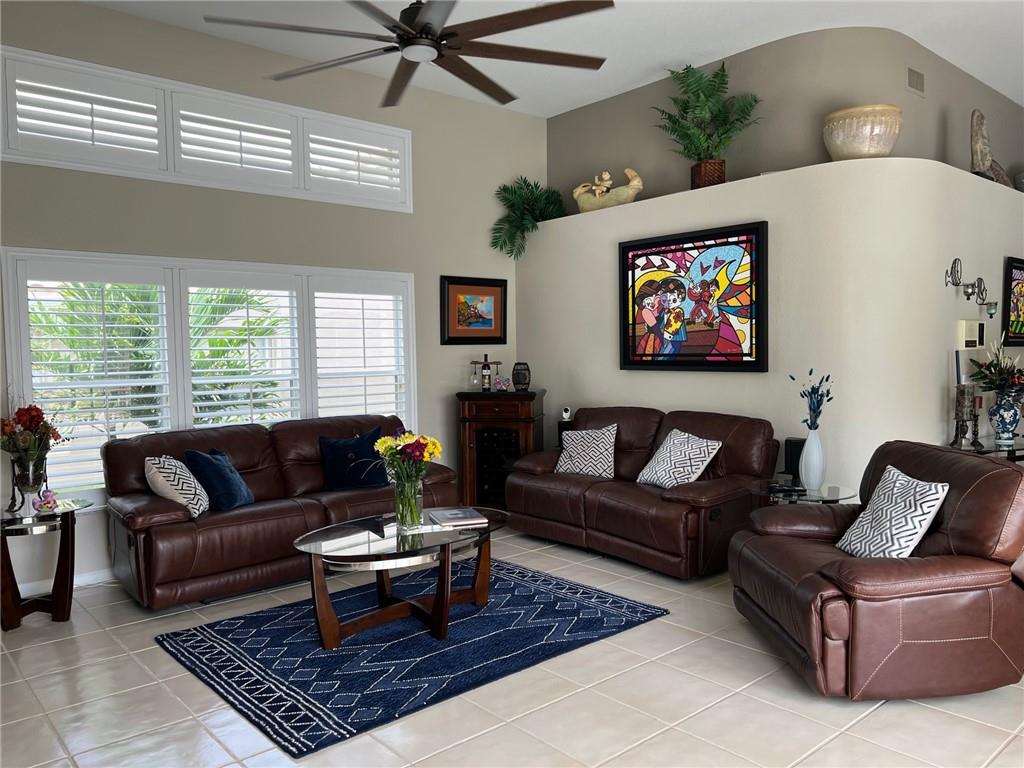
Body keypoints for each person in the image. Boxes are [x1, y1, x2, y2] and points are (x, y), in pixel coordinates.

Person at [658, 277, 688, 357]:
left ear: (681, 297)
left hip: (675, 338)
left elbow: (674, 325)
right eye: (664, 299)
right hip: (663, 337)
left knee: (668, 354)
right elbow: (659, 320)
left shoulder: (678, 311)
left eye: (673, 300)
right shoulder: (663, 311)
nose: (669, 302)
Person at [633, 280, 663, 359]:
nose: (653, 303)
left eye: (657, 297)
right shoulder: (646, 311)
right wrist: (663, 341)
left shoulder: (658, 308)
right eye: (648, 302)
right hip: (654, 337)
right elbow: (656, 329)